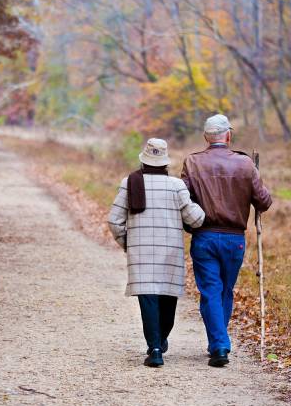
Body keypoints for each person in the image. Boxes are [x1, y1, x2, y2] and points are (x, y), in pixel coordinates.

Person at [181, 114, 272, 367]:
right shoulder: (244, 164)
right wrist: (254, 177)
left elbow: (182, 199)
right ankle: (219, 343)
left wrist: (190, 221)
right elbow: (264, 202)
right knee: (223, 290)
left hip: (205, 236)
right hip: (234, 240)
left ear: (205, 137)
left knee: (211, 291)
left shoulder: (192, 162)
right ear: (228, 136)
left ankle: (218, 343)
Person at [108, 138, 205, 368]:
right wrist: (200, 205)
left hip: (140, 254)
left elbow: (114, 221)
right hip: (170, 252)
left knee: (148, 299)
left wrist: (128, 244)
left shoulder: (129, 183)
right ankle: (160, 342)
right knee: (167, 299)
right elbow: (196, 219)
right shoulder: (176, 186)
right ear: (165, 163)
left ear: (143, 160)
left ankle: (155, 348)